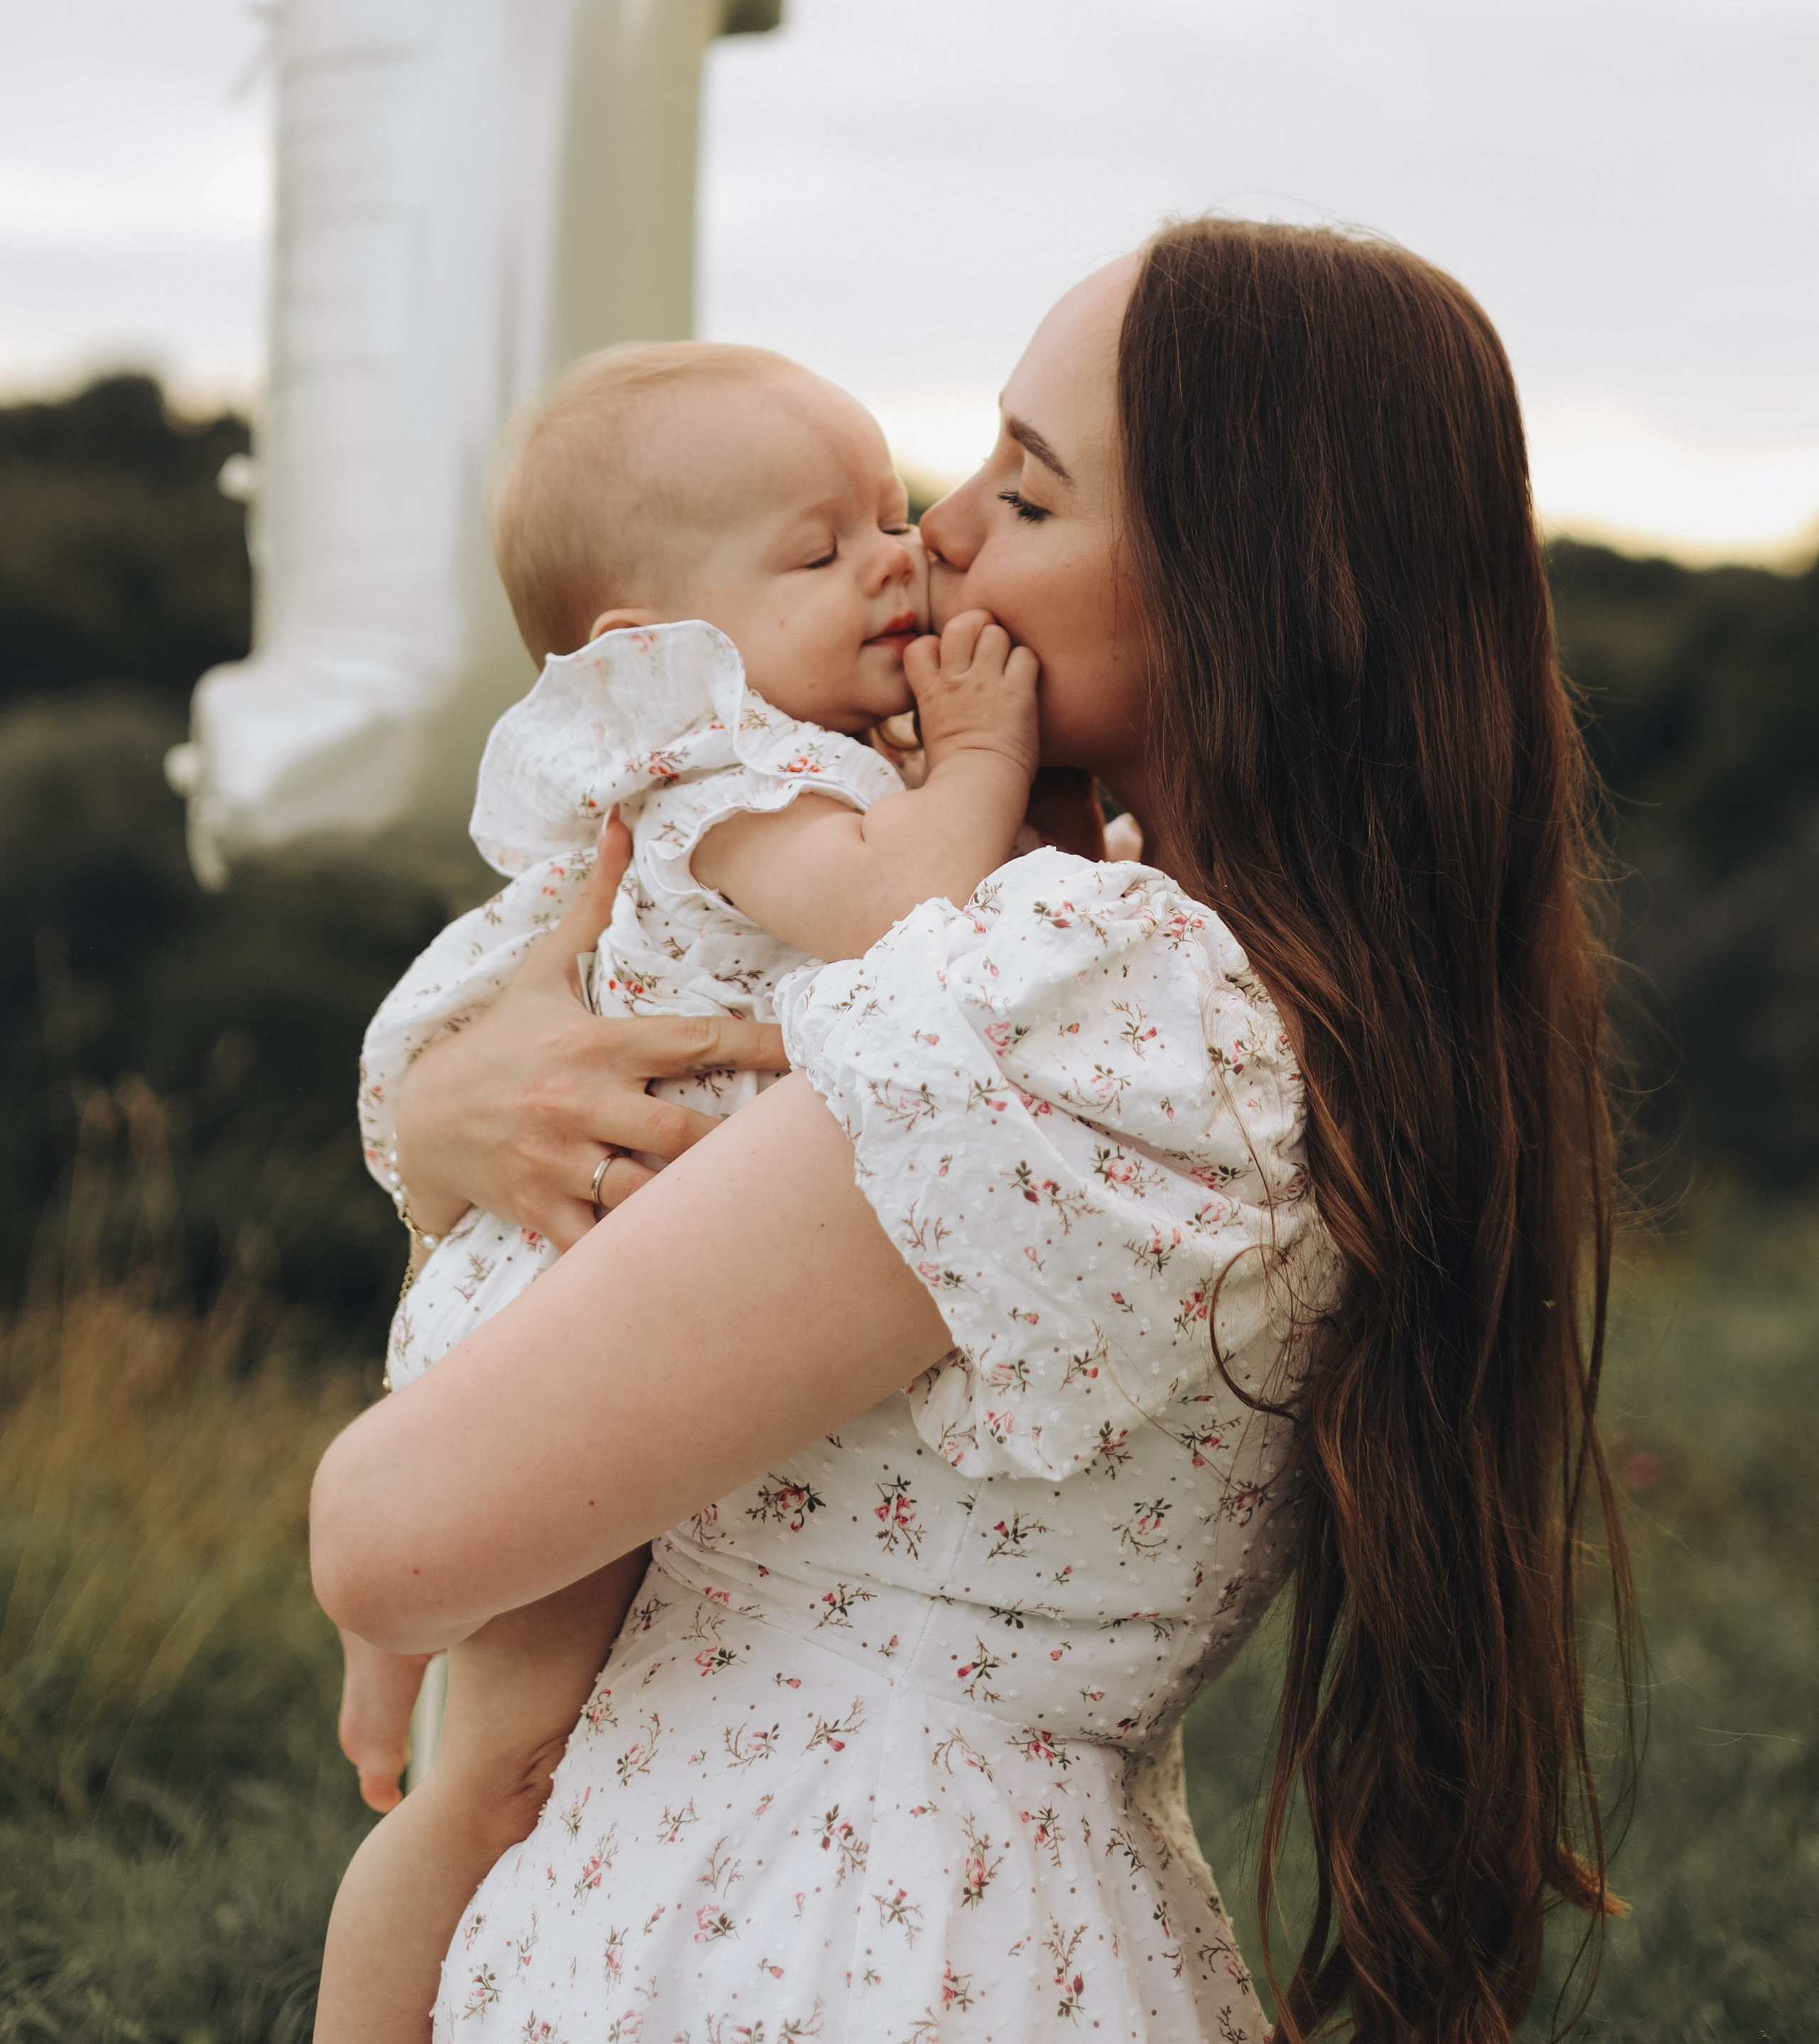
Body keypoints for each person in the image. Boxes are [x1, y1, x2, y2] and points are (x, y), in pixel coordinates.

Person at [312, 220, 1632, 2044]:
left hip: (815, 1925)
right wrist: (459, 1117)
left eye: (1024, 488)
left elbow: (388, 1534)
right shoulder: (1194, 978)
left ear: (1233, 590)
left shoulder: (1083, 1016)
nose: (934, 534)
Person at [319, 341, 1047, 2044]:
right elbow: (893, 908)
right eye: (817, 550)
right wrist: (979, 759)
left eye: (883, 511)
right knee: (494, 1776)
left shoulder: (805, 753)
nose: (894, 558)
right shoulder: (719, 773)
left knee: (520, 1730)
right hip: (569, 1323)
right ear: (653, 651)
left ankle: (405, 1651)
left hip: (621, 1308)